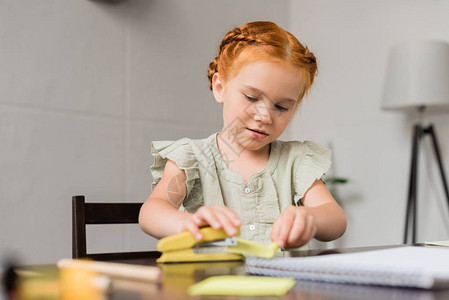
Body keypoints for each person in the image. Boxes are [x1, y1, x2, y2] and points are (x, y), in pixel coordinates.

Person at [139, 21, 346, 249]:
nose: (264, 117)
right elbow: (152, 211)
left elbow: (336, 220)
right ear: (220, 87)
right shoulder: (194, 159)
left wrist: (311, 219)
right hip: (210, 283)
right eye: (251, 98)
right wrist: (186, 223)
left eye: (281, 107)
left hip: (282, 285)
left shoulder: (295, 161)